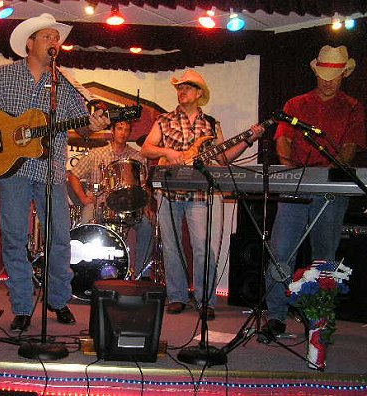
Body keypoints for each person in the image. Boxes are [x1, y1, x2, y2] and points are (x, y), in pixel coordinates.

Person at [0, 13, 110, 332]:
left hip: (51, 170)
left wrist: (92, 125)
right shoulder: (3, 75)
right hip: (10, 170)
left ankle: (58, 300)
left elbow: (80, 127)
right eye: (47, 36)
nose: (55, 41)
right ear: (29, 43)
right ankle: (24, 306)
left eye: (57, 37)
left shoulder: (65, 83)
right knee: (14, 238)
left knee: (59, 240)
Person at [141, 69, 264, 319]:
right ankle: (176, 296)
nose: (181, 91)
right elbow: (146, 148)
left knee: (204, 248)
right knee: (172, 247)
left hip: (202, 194)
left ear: (199, 93)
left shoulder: (210, 123)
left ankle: (205, 299)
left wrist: (247, 140)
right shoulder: (164, 120)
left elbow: (222, 157)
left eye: (187, 87)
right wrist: (169, 152)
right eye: (179, 87)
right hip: (168, 190)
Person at [262, 45, 365, 339]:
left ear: (345, 73)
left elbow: (349, 148)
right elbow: (284, 140)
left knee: (324, 257)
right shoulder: (295, 103)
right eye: (323, 74)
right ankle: (276, 317)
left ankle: (318, 318)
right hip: (296, 184)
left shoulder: (353, 107)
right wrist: (293, 172)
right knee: (281, 252)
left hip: (329, 188)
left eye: (334, 75)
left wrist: (326, 176)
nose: (327, 81)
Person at [68, 120, 153, 278]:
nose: (123, 132)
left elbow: (143, 186)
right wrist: (84, 198)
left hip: (129, 205)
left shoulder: (137, 157)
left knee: (147, 226)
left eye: (127, 129)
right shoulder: (96, 154)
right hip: (99, 203)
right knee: (86, 223)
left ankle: (142, 275)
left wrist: (146, 206)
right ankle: (85, 273)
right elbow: (73, 175)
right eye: (119, 128)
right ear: (112, 131)